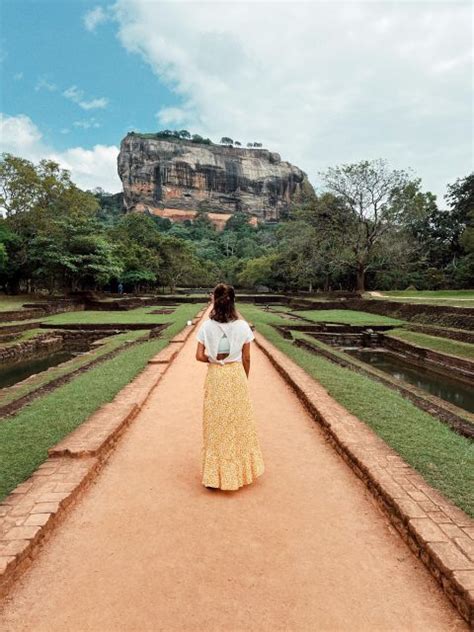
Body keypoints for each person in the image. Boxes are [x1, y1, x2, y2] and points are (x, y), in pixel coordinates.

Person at [195, 283, 265, 491]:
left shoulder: (207, 326)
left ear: (214, 301)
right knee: (238, 422)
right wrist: (245, 378)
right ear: (233, 300)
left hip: (217, 376)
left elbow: (199, 356)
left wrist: (215, 360)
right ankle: (238, 473)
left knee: (216, 423)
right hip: (236, 376)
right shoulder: (243, 326)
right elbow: (247, 357)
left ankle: (215, 476)